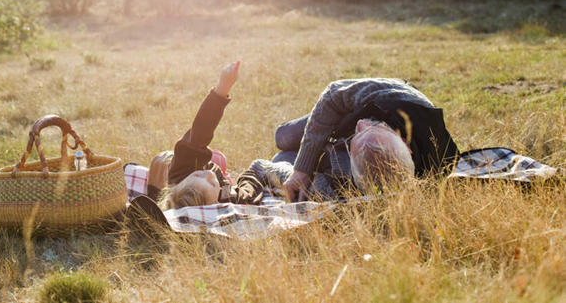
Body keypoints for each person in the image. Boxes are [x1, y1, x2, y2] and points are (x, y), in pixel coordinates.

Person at [275, 78, 459, 202]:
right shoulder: (387, 97)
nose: (362, 124)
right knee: (284, 137)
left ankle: (325, 149)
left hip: (350, 142)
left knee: (280, 159)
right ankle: (312, 149)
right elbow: (332, 94)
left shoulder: (434, 169)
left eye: (363, 132)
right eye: (374, 128)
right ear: (405, 142)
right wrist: (301, 169)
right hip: (346, 110)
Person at [148, 61, 296, 209]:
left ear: (178, 186)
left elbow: (201, 130)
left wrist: (222, 88)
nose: (209, 175)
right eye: (212, 184)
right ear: (213, 206)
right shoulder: (229, 201)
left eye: (198, 175)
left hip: (177, 164)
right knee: (287, 163)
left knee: (212, 158)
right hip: (260, 170)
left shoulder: (182, 172)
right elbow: (252, 180)